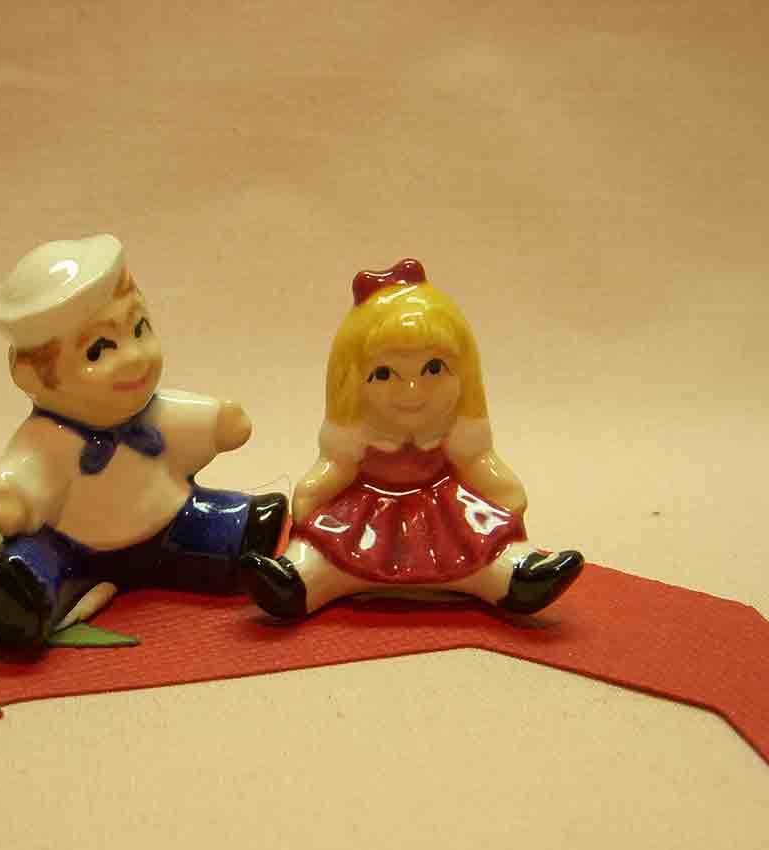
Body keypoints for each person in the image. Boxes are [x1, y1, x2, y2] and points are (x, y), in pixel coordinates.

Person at [0, 235, 286, 651]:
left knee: (233, 524)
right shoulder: (45, 441)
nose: (135, 357)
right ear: (30, 375)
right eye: (98, 350)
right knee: (34, 560)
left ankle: (247, 540)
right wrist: (15, 498)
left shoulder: (155, 413)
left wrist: (218, 424)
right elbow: (25, 469)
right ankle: (20, 593)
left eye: (139, 330)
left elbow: (192, 422)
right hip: (72, 544)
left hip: (168, 521)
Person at [239, 258, 582, 619]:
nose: (413, 391)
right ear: (351, 384)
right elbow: (336, 467)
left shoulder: (456, 432)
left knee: (484, 550)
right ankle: (297, 582)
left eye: (433, 369)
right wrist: (311, 493)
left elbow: (477, 462)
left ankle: (516, 577)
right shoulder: (357, 436)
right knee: (326, 551)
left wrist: (505, 490)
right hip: (365, 515)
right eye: (384, 374)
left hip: (448, 511)